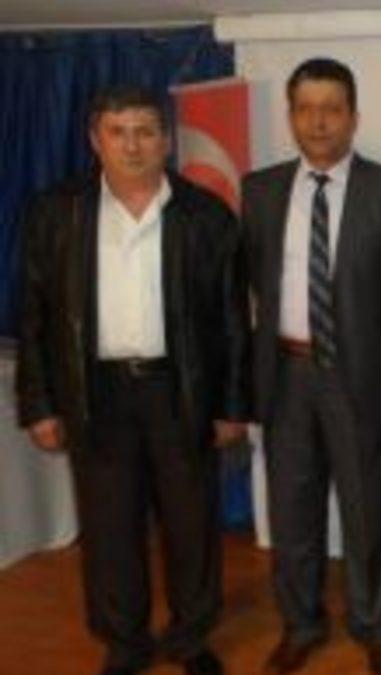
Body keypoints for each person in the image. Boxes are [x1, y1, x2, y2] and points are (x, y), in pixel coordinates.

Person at [16, 85, 250, 675]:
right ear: (95, 140)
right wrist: (39, 404)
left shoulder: (206, 215)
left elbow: (231, 321)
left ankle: (191, 637)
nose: (132, 145)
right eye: (117, 132)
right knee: (109, 525)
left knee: (191, 523)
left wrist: (232, 405)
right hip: (96, 394)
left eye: (145, 131)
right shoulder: (57, 212)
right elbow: (35, 315)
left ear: (167, 140)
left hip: (181, 391)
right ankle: (124, 641)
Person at [241, 57, 381, 674]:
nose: (318, 121)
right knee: (292, 513)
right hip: (287, 376)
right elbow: (253, 287)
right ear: (291, 116)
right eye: (305, 109)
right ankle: (301, 624)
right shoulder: (260, 190)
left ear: (353, 116)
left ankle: (376, 626)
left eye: (331, 109)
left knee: (368, 512)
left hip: (362, 380)